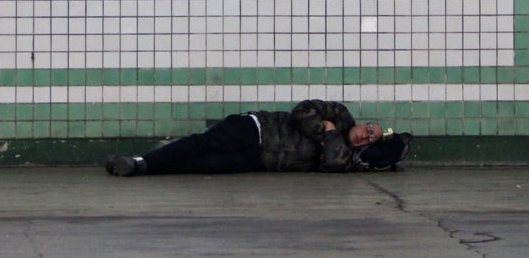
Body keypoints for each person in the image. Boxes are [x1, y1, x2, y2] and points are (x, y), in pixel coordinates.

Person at [105, 99, 382, 176]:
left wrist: (329, 133)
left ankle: (154, 162)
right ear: (364, 123)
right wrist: (325, 134)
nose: (365, 136)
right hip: (256, 127)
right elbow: (302, 110)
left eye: (371, 139)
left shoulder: (344, 155)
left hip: (259, 159)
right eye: (369, 129)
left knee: (202, 165)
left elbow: (334, 163)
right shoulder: (342, 114)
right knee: (202, 144)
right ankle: (139, 163)